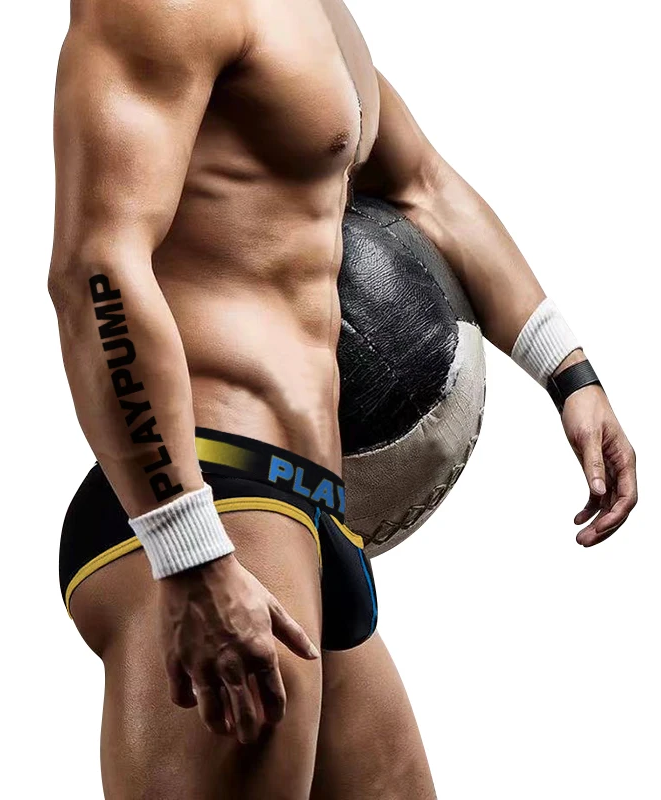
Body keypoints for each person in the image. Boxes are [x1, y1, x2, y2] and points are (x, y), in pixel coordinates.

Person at [48, 0, 638, 797]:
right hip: (211, 497)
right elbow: (96, 269)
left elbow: (425, 187)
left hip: (313, 513)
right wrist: (187, 550)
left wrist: (569, 373)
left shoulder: (317, 16)